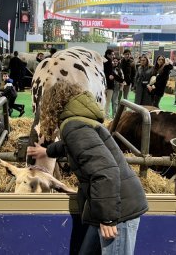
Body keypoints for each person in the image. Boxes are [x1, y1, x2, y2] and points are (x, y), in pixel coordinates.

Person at [27, 81, 148, 255]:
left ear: (53, 104)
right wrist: (47, 151)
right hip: (107, 205)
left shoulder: (72, 126)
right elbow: (76, 145)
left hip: (117, 211)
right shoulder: (79, 121)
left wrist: (107, 219)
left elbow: (106, 171)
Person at [104, 53, 124, 119]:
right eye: (114, 61)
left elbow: (121, 77)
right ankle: (106, 115)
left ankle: (114, 115)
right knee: (108, 101)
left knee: (115, 102)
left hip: (117, 87)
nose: (115, 62)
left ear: (118, 62)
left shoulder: (120, 70)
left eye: (116, 61)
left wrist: (122, 83)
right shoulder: (109, 68)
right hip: (109, 86)